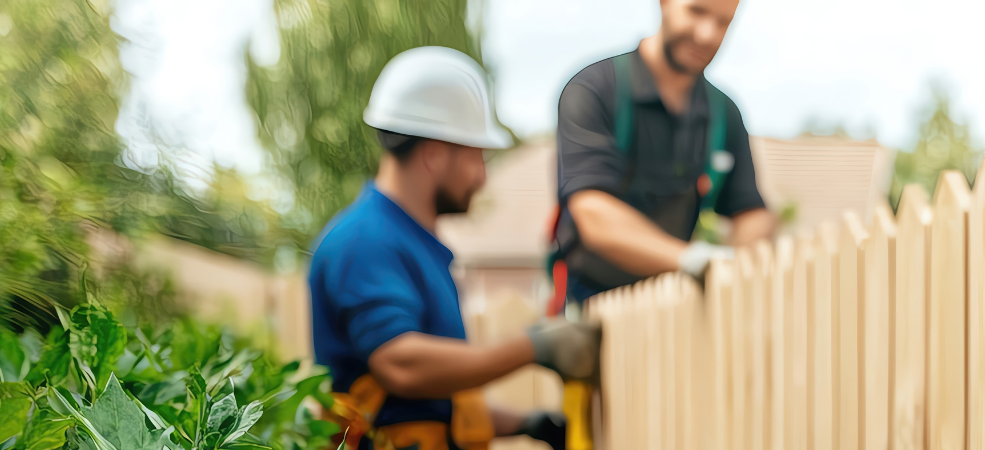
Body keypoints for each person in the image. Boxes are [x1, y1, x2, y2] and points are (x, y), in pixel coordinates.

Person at [310, 46, 600, 450]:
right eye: (476, 156)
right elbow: (401, 365)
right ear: (433, 154)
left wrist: (527, 423)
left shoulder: (411, 245)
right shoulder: (364, 242)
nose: (482, 177)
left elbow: (427, 406)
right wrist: (533, 347)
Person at [550, 0, 775, 310]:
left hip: (674, 305)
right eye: (697, 11)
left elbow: (752, 212)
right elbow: (593, 213)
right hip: (591, 306)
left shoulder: (724, 114)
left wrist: (738, 267)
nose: (708, 34)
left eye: (724, 22)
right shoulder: (594, 90)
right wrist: (690, 258)